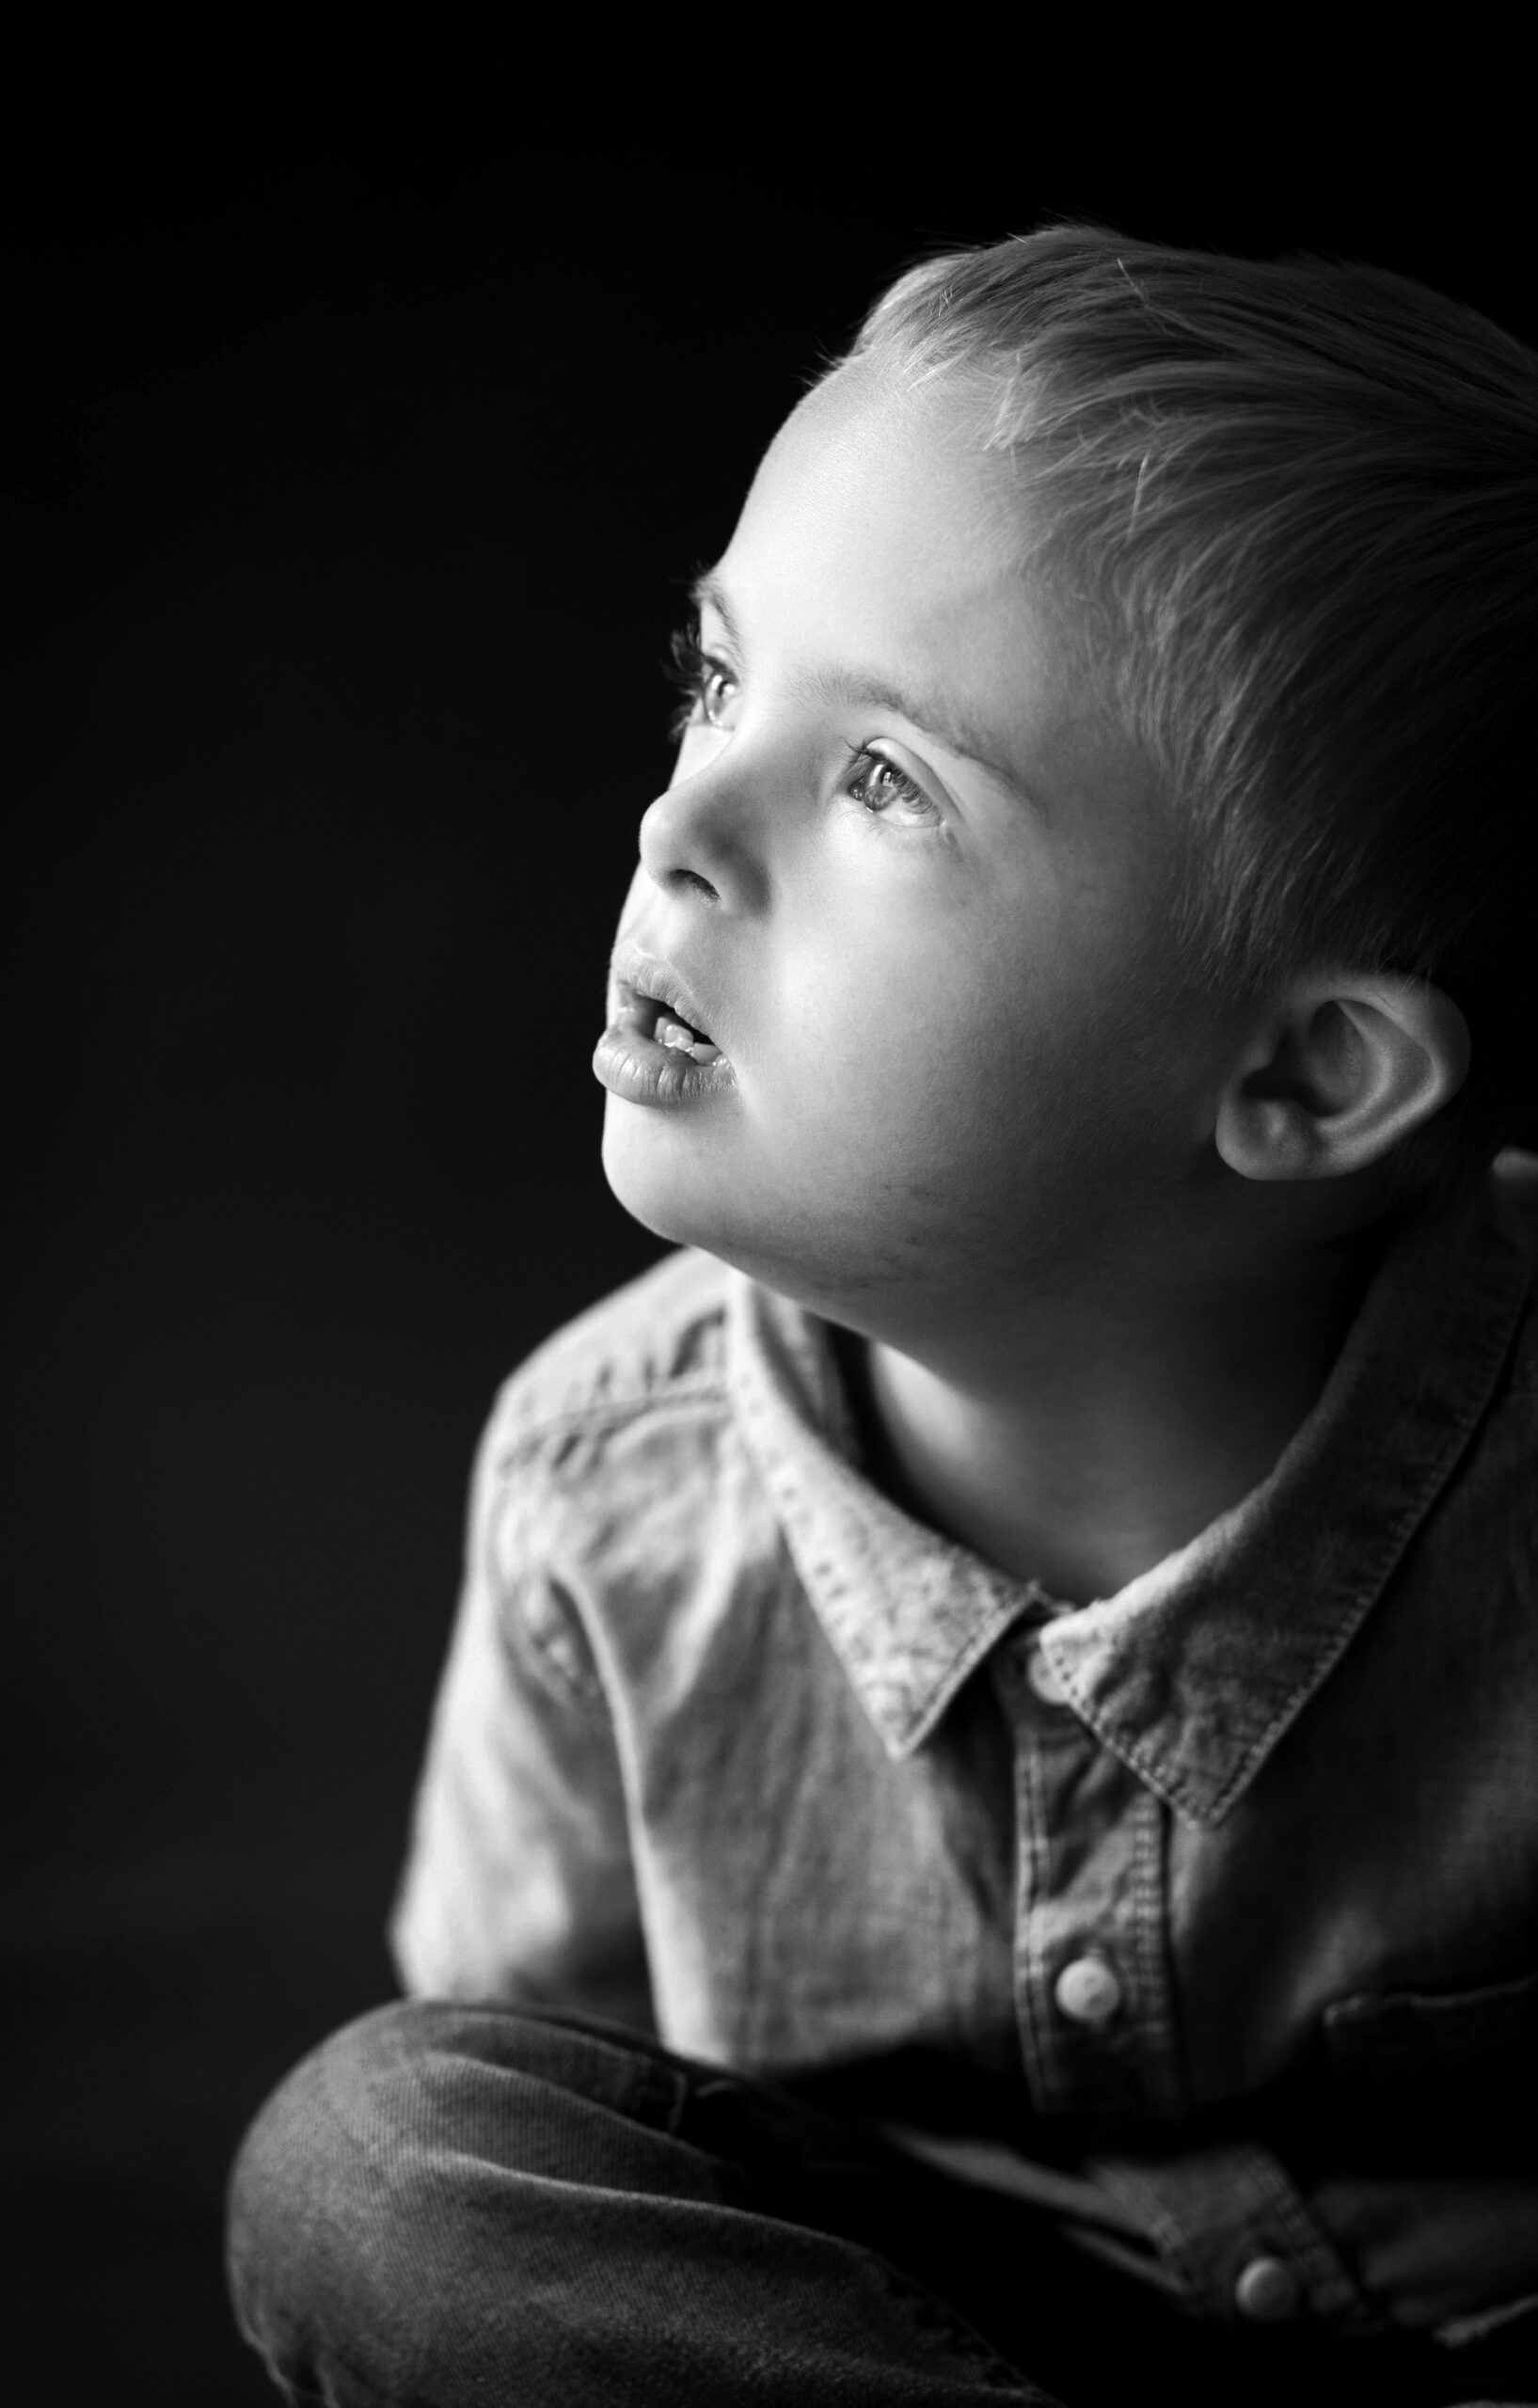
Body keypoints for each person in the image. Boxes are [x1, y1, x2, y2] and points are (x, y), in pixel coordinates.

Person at [226, 225, 1538, 2406]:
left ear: (1305, 1079)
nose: (675, 819)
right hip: (899, 2344)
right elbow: (581, 2123)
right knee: (377, 2158)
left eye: (884, 781)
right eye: (715, 680)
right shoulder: (600, 1492)